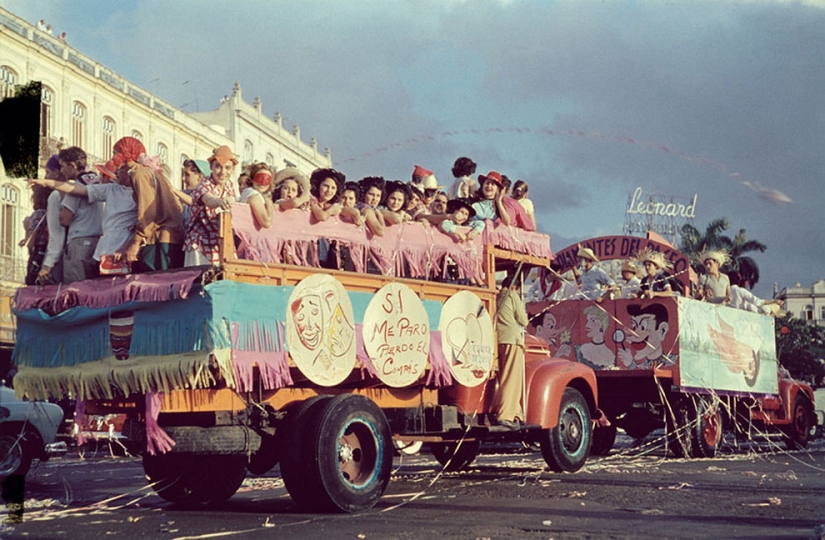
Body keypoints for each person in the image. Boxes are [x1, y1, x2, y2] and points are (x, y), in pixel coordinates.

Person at [110, 137, 185, 272]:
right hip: (169, 237)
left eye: (115, 153)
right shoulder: (152, 172)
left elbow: (147, 211)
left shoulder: (139, 173)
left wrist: (135, 242)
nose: (113, 158)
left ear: (126, 154)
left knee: (156, 286)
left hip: (159, 240)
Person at [183, 145, 238, 266]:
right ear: (211, 167)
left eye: (227, 168)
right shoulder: (204, 184)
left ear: (232, 169)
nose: (223, 172)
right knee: (199, 281)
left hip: (221, 241)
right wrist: (220, 202)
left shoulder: (229, 186)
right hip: (200, 242)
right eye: (218, 167)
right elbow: (208, 199)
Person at [57, 147, 103, 282]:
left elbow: (65, 219)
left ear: (72, 166)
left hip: (79, 243)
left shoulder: (76, 188)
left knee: (76, 290)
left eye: (63, 166)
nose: (61, 171)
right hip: (99, 243)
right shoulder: (98, 183)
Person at [494, 274, 528, 430]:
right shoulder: (512, 295)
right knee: (512, 379)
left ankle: (516, 413)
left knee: (505, 377)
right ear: (515, 287)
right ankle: (505, 415)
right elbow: (523, 320)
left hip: (499, 339)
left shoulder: (497, 296)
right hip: (512, 339)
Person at [37, 155, 66, 285]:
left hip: (59, 258)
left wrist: (47, 265)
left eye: (48, 172)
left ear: (56, 173)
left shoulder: (56, 196)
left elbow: (56, 234)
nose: (46, 177)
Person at [463, 171, 510, 241]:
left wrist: (499, 201)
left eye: (493, 184)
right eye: (487, 183)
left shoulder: (497, 206)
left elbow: (507, 222)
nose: (489, 186)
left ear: (498, 189)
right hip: (468, 235)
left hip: (486, 241)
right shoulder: (473, 202)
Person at [21, 180, 50, 286]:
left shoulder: (38, 214)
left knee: (31, 283)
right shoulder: (48, 213)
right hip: (46, 252)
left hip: (37, 253)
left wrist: (27, 228)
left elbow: (30, 242)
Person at [238, 163, 274, 229]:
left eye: (267, 179)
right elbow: (266, 223)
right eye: (259, 178)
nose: (262, 183)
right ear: (252, 179)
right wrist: (269, 204)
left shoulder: (256, 194)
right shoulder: (252, 194)